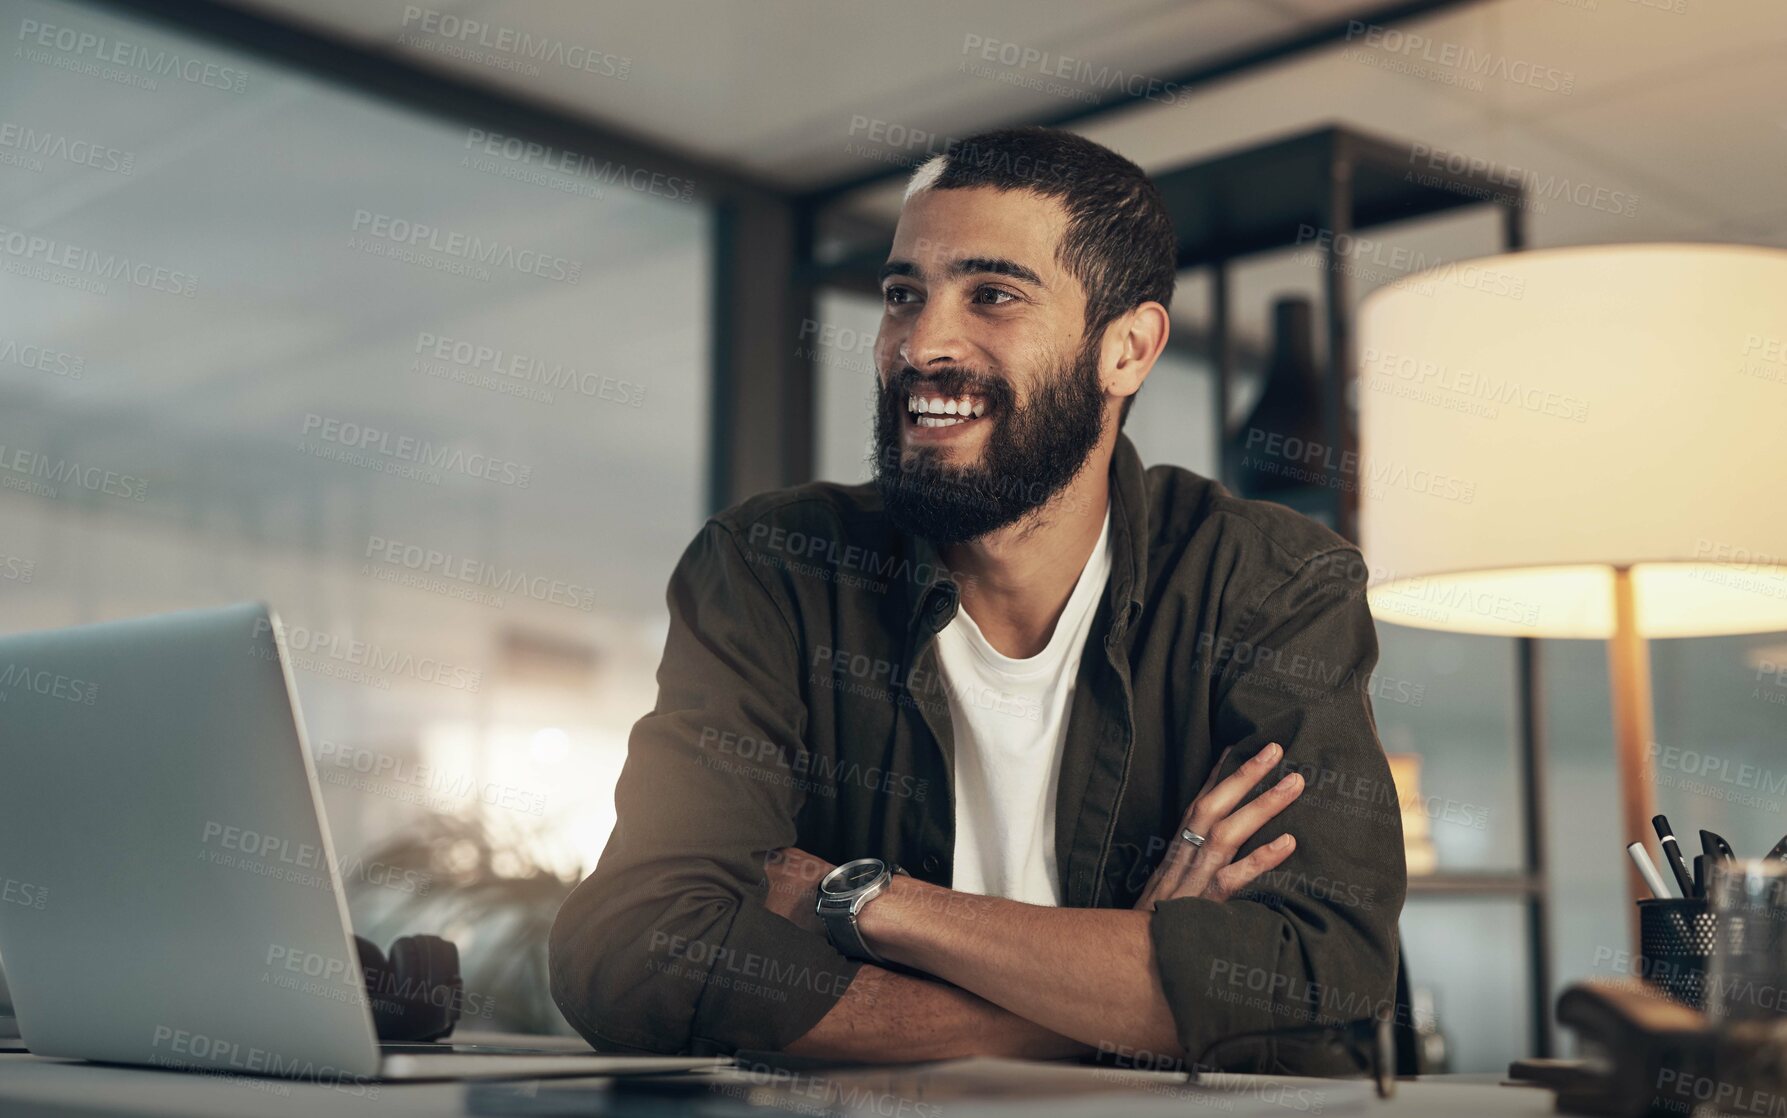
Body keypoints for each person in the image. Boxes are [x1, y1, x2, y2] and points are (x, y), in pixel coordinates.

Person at [550, 126, 1406, 1071]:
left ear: (1126, 349)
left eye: (991, 295)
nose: (922, 344)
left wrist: (868, 900)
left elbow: (1318, 983)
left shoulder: (1268, 584)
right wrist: (1108, 1006)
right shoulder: (771, 568)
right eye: (902, 295)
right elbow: (629, 955)